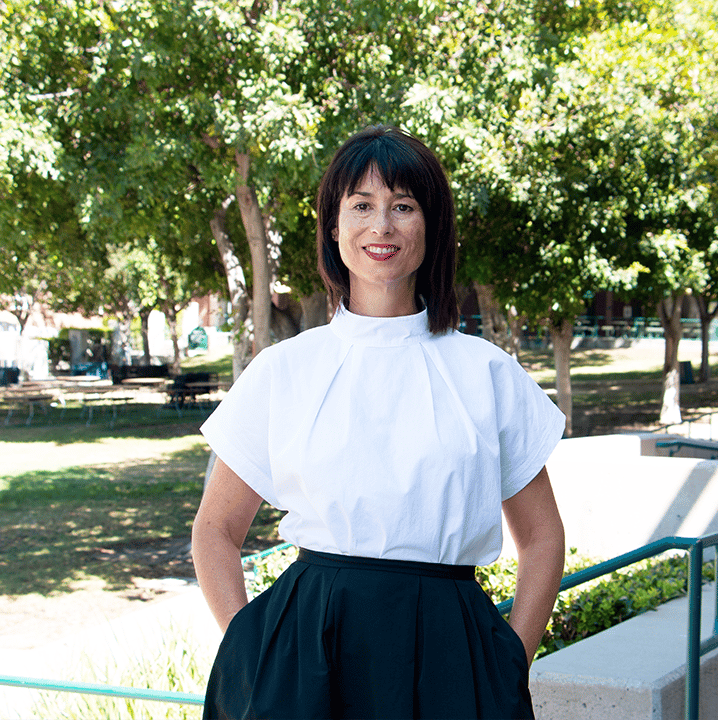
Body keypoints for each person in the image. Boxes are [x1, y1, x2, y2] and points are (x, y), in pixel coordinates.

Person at [192, 125, 566, 719]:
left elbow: (542, 539)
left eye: (403, 206)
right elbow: (215, 531)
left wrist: (504, 663)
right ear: (333, 227)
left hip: (453, 654)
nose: (381, 227)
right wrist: (251, 651)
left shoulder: (487, 373)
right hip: (308, 656)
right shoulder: (284, 369)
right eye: (361, 206)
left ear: (432, 225)